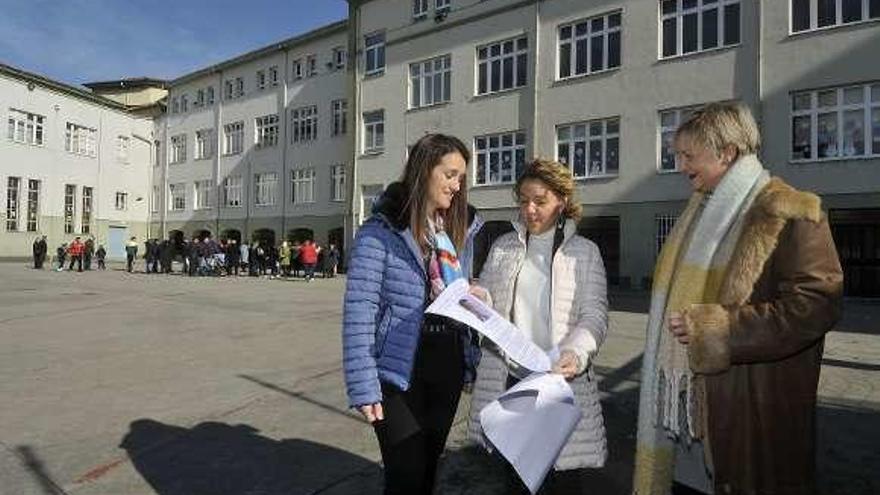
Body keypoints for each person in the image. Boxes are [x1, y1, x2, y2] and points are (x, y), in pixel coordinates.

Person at [632, 103, 843, 495]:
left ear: (726, 152)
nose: (680, 166)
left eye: (688, 155)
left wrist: (721, 330)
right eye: (677, 155)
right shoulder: (696, 211)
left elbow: (816, 304)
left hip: (747, 410)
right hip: (684, 415)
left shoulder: (790, 210)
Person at [343, 134, 484, 495]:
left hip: (447, 361)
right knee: (404, 474)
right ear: (424, 171)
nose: (456, 186)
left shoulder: (456, 229)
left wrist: (473, 293)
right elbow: (360, 310)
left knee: (426, 473)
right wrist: (363, 385)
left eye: (461, 178)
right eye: (450, 174)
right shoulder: (381, 231)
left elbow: (454, 289)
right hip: (397, 372)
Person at [467, 159, 609, 494]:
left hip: (560, 383)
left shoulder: (585, 253)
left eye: (540, 201)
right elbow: (490, 297)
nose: (530, 210)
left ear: (561, 201)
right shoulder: (503, 246)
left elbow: (595, 314)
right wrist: (477, 297)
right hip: (513, 380)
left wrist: (577, 351)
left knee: (562, 482)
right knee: (515, 481)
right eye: (524, 200)